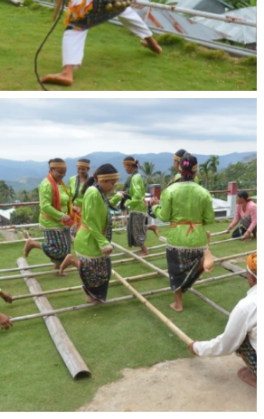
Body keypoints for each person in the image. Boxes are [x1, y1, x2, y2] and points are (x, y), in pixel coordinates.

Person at [149, 153, 214, 312]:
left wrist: (154, 206)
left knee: (175, 271)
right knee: (193, 265)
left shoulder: (170, 190)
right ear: (195, 171)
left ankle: (178, 304)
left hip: (177, 238)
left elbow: (164, 216)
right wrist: (196, 222)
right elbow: (209, 218)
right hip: (198, 237)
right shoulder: (203, 192)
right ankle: (202, 260)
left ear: (179, 168)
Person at [188, 252, 257, 388]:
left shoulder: (247, 306)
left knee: (240, 339)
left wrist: (197, 347)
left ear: (253, 279)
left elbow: (226, 343)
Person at [70, 164, 119, 302]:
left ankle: (93, 295)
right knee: (95, 273)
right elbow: (91, 221)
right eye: (112, 183)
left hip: (95, 239)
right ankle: (91, 295)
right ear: (102, 181)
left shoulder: (99, 193)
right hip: (89, 240)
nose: (113, 187)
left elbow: (105, 209)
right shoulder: (93, 193)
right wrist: (104, 243)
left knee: (102, 271)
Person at [23, 158, 73, 273]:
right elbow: (45, 206)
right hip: (51, 222)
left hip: (62, 221)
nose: (63, 175)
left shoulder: (60, 183)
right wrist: (61, 215)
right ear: (51, 170)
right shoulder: (46, 185)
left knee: (66, 248)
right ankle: (32, 244)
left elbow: (64, 200)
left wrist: (71, 208)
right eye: (60, 172)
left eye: (64, 172)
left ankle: (58, 270)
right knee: (59, 251)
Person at [110, 157, 151, 255]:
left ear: (129, 165)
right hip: (136, 207)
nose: (125, 169)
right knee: (135, 229)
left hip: (138, 207)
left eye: (125, 166)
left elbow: (137, 196)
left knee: (137, 231)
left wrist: (126, 203)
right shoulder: (135, 176)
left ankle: (145, 250)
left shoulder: (135, 177)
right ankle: (149, 231)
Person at [68, 158, 90, 235]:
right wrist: (71, 206)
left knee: (85, 232)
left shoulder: (92, 181)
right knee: (75, 233)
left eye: (83, 169)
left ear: (88, 169)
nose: (80, 171)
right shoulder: (71, 180)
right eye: (79, 169)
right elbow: (69, 196)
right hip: (75, 211)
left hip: (88, 210)